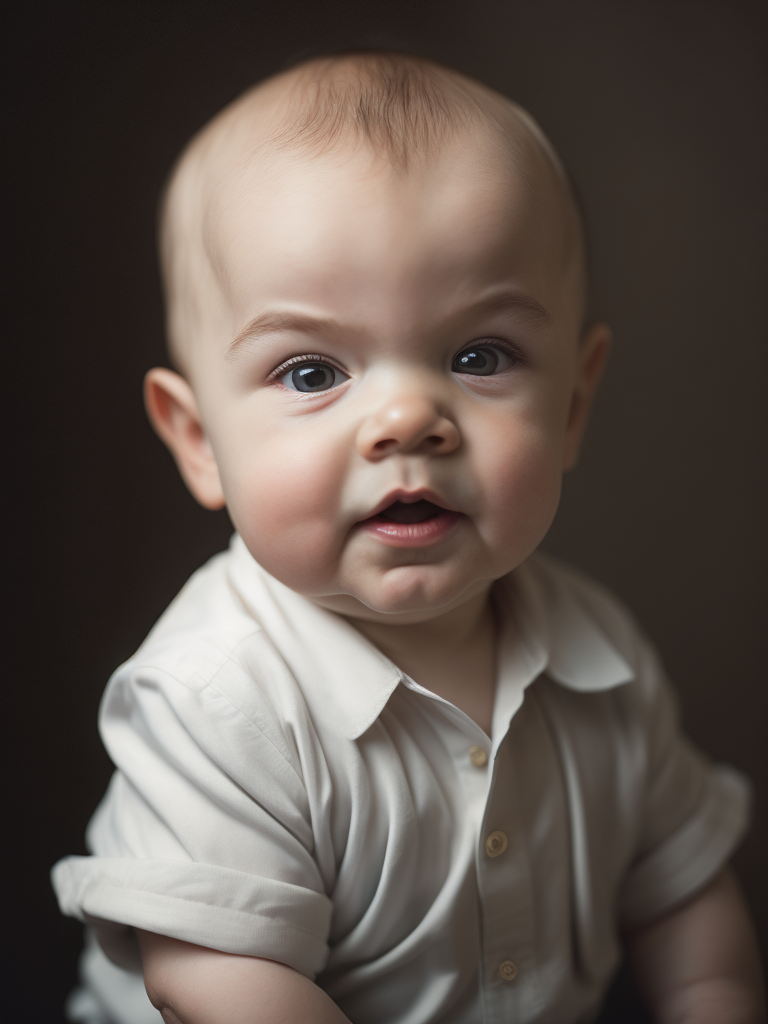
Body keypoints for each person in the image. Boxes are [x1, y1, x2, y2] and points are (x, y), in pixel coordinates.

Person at [52, 50, 764, 1024]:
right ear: (199, 441)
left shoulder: (604, 659)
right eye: (311, 372)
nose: (406, 419)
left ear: (572, 406)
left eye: (480, 356)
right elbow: (217, 984)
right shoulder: (214, 698)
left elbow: (685, 897)